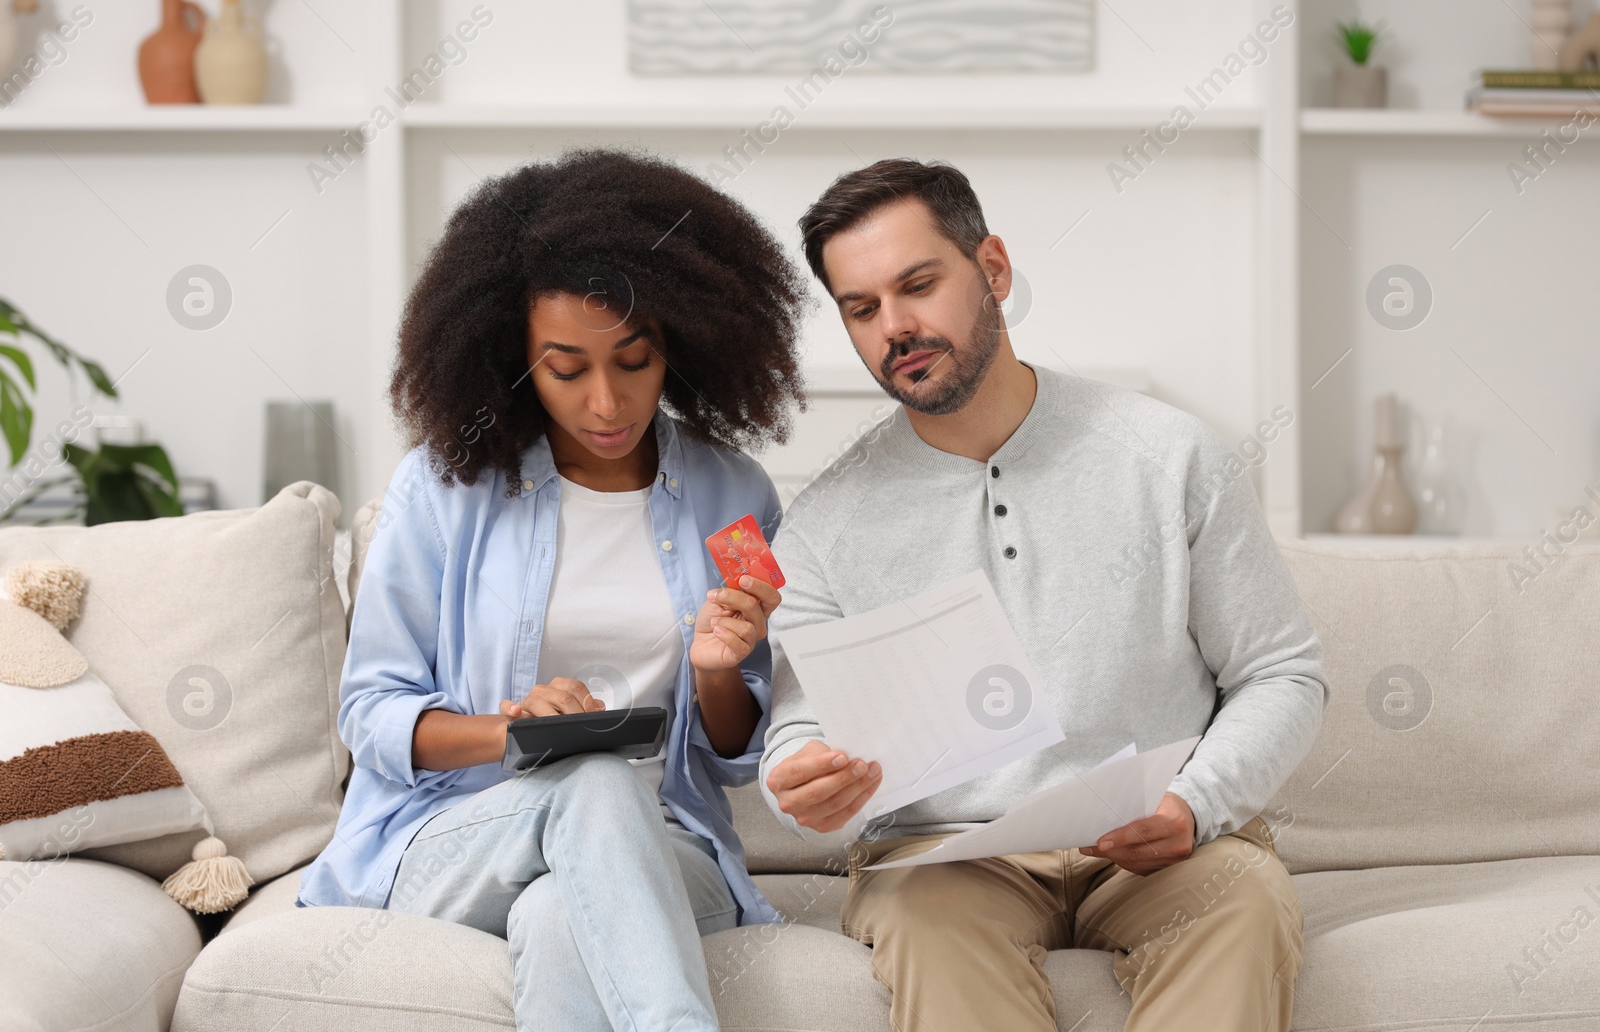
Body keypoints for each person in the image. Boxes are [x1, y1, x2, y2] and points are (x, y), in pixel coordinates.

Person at [759, 158, 1328, 1032]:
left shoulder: (1170, 455)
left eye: (919, 285)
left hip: (1161, 836)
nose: (896, 327)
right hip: (942, 858)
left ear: (992, 269)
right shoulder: (823, 525)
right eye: (862, 308)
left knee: (1242, 901)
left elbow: (1281, 670)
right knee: (926, 923)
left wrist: (1197, 803)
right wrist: (794, 776)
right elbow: (803, 722)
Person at [296, 148, 811, 1032]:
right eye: (567, 368)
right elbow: (372, 713)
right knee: (595, 781)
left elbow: (735, 756)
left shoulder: (737, 498)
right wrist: (512, 731)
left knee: (560, 911)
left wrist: (720, 667)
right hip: (461, 838)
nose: (607, 401)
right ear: (512, 358)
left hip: (664, 845)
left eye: (635, 361)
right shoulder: (443, 488)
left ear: (678, 346)